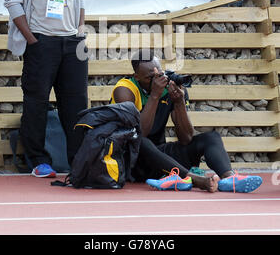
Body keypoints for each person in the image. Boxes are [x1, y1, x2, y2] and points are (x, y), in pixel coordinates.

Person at [4, 0, 88, 178]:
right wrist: (31, 39)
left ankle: (79, 159)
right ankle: (38, 161)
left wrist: (80, 29)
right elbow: (13, 0)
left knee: (76, 105)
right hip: (41, 41)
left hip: (72, 41)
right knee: (36, 103)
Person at [110, 49, 263, 193]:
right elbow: (140, 132)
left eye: (159, 74)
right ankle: (195, 180)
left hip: (161, 157)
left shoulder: (169, 87)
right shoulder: (125, 90)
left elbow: (186, 138)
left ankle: (229, 178)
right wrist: (154, 96)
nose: (156, 80)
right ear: (136, 77)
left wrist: (179, 103)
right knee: (140, 140)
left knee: (210, 137)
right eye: (150, 77)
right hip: (132, 161)